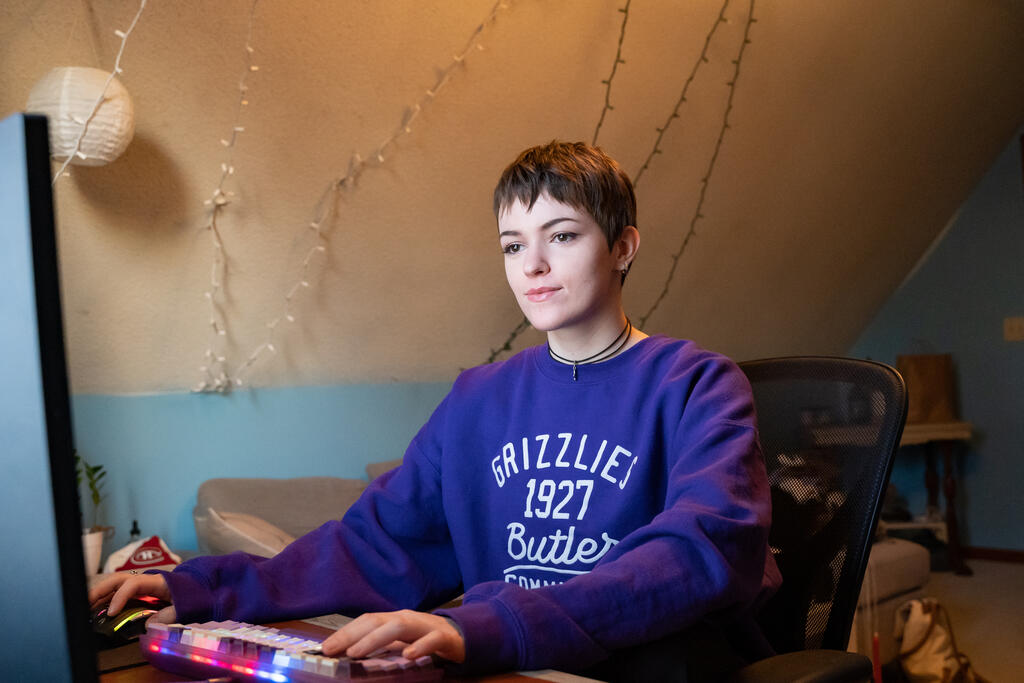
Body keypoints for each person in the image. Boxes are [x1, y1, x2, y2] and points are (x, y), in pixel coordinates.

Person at [90, 141, 781, 681]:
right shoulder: (478, 398)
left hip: (646, 666)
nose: (533, 264)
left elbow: (702, 551)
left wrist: (486, 626)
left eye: (562, 236)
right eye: (514, 245)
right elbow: (374, 544)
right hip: (515, 665)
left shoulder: (696, 382)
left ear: (623, 246)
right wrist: (201, 586)